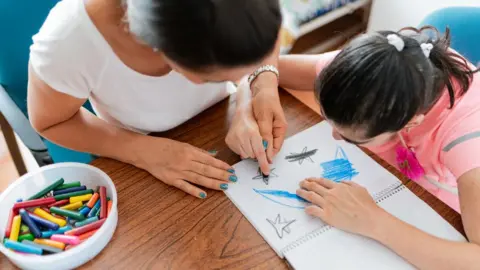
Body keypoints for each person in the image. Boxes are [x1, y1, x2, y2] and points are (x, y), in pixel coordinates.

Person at [27, 0, 287, 199]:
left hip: (215, 122)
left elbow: (264, 26)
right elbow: (50, 122)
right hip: (143, 160)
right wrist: (144, 152)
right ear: (159, 48)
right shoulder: (67, 43)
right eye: (213, 78)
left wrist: (259, 85)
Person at [277, 27, 480, 268]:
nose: (334, 136)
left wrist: (373, 221)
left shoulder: (467, 142)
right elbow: (270, 67)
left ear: (410, 122)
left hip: (445, 208)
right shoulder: (365, 73)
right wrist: (255, 97)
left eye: (351, 138)